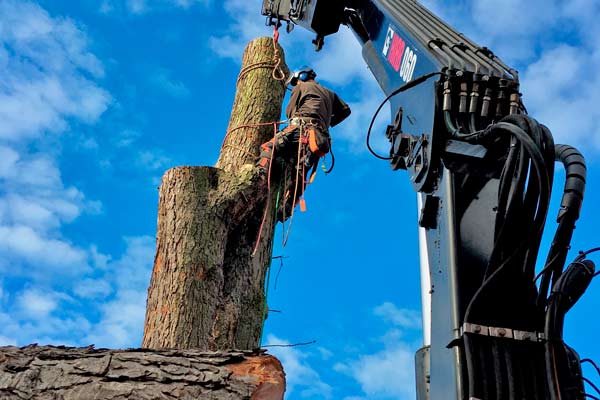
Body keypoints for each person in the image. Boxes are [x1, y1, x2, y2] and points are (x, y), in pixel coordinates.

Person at [257, 66, 351, 221]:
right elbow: (346, 111)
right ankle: (288, 207)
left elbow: (290, 112)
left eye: (296, 82)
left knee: (269, 147)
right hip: (319, 137)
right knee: (300, 173)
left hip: (300, 128)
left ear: (301, 77)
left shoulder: (302, 87)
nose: (296, 85)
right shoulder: (330, 93)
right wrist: (326, 122)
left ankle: (259, 175)